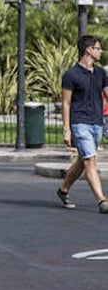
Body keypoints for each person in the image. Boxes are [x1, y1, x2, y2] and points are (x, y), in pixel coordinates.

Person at [57, 35, 108, 212]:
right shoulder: (71, 75)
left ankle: (63, 190)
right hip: (80, 123)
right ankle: (102, 200)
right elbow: (66, 103)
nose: (100, 51)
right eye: (98, 48)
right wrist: (66, 130)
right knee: (90, 160)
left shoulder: (101, 73)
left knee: (83, 160)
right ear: (88, 50)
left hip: (97, 123)